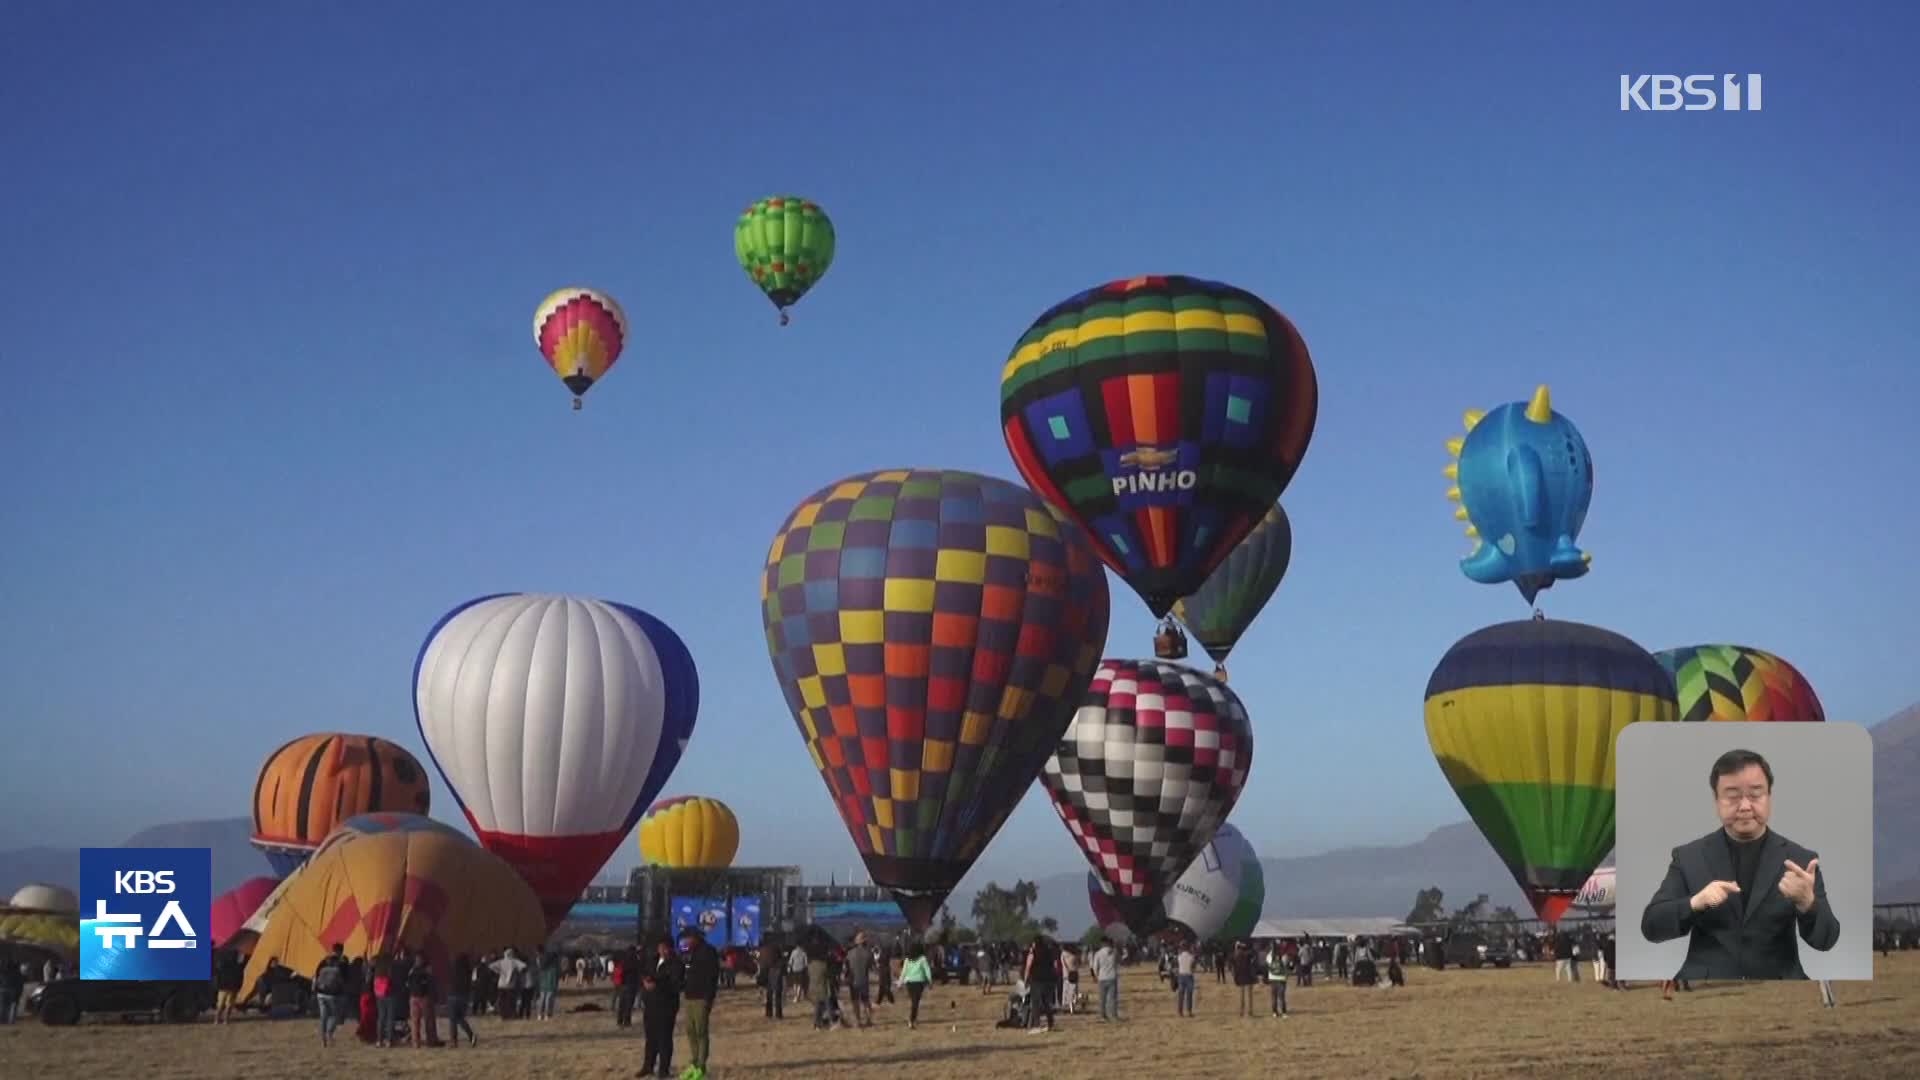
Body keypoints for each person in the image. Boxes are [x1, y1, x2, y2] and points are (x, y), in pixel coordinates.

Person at [1640, 748, 1842, 980]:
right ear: (1716, 801)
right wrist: (1696, 903)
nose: (1745, 806)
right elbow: (1652, 926)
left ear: (1769, 797)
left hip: (1781, 988)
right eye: (1733, 796)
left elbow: (1827, 940)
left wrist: (1808, 904)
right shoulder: (1688, 857)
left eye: (1756, 794)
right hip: (1703, 990)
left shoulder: (1801, 861)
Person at [640, 936, 683, 1079]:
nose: (662, 950)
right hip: (650, 1005)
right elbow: (645, 972)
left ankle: (663, 1070)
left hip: (666, 1006)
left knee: (664, 1039)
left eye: (665, 948)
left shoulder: (676, 963)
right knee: (650, 1038)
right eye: (660, 947)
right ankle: (648, 1066)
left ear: (670, 948)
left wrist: (657, 985)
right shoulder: (652, 960)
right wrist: (645, 981)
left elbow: (676, 984)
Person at [679, 928, 721, 1076]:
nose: (685, 942)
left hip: (701, 997)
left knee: (701, 1032)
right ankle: (694, 1061)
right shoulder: (689, 953)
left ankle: (701, 1065)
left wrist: (709, 998)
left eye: (687, 939)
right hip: (689, 996)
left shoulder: (708, 951)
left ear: (695, 938)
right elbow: (684, 968)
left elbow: (713, 976)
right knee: (690, 1031)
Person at [312, 943, 350, 1046]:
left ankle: (323, 1038)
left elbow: (316, 975)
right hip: (335, 994)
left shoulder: (323, 961)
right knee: (335, 1016)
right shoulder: (342, 963)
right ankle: (329, 1033)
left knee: (323, 1016)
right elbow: (345, 979)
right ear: (341, 951)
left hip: (321, 993)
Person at [1023, 935, 1058, 1032]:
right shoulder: (1049, 952)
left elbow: (1028, 967)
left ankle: (1036, 1024)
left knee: (1036, 1003)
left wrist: (1025, 980)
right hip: (1048, 980)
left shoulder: (1032, 953)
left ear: (1035, 943)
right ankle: (1050, 1023)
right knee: (1047, 1003)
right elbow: (1054, 965)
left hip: (1037, 980)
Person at [899, 941, 933, 1029]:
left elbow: (903, 972)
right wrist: (930, 981)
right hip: (919, 982)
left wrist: (900, 983)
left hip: (909, 983)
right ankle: (911, 1020)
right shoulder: (922, 959)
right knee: (915, 1002)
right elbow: (927, 970)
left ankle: (913, 1019)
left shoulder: (907, 959)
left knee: (914, 1002)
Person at [446, 953, 477, 1046]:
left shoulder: (454, 970)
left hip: (453, 995)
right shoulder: (468, 971)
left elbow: (450, 982)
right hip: (464, 997)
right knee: (459, 1018)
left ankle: (454, 1041)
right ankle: (471, 1035)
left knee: (453, 1020)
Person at [1092, 937, 1121, 1021]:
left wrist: (1096, 976)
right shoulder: (1114, 952)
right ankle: (1114, 1015)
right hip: (1112, 976)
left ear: (1102, 943)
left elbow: (1095, 967)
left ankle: (1103, 1015)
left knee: (1102, 998)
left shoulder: (1098, 953)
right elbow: (1119, 962)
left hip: (1102, 977)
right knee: (1113, 998)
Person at [213, 948, 245, 1024]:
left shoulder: (222, 963)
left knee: (221, 1004)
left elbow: (218, 974)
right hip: (232, 986)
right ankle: (225, 1019)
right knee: (228, 1004)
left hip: (224, 986)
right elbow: (240, 975)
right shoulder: (237, 965)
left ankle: (217, 1019)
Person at [1263, 941, 1290, 1017]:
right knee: (1281, 996)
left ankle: (1274, 1012)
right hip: (1281, 978)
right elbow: (1286, 965)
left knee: (1274, 996)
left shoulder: (1269, 955)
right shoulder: (1284, 955)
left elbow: (1267, 965)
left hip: (1272, 978)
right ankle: (1283, 1012)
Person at [1174, 940, 1197, 1017]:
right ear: (1188, 947)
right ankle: (1189, 1011)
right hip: (1189, 976)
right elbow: (1193, 967)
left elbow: (1176, 966)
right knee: (1189, 995)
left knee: (1181, 995)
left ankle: (1180, 1012)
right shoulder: (1191, 957)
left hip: (1181, 976)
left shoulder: (1179, 956)